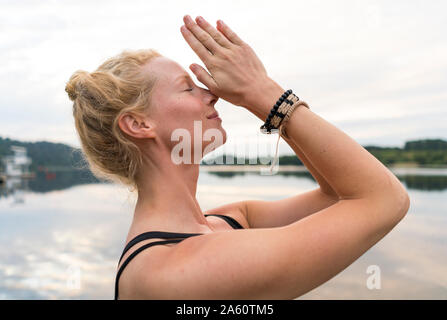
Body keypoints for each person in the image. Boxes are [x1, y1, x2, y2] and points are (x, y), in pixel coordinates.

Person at [64, 15, 410, 300]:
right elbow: (384, 199)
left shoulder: (226, 220)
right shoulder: (168, 272)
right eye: (188, 87)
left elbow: (339, 194)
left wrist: (271, 105)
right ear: (139, 124)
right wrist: (264, 94)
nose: (213, 94)